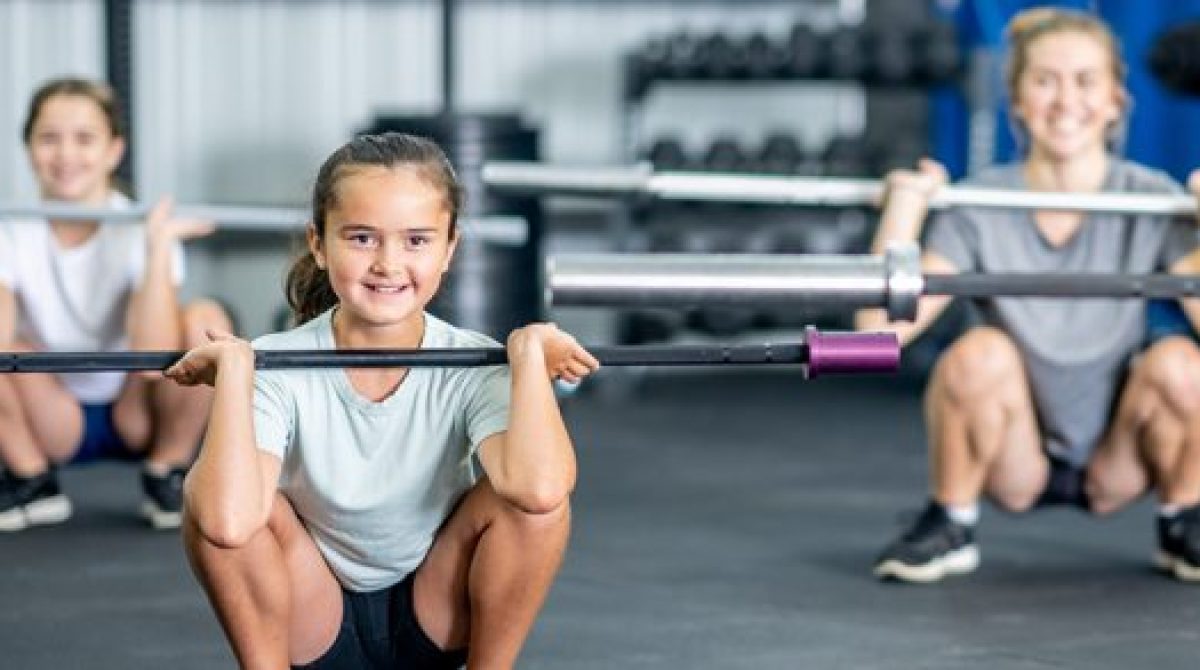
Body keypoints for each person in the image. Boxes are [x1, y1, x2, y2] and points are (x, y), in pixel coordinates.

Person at [167, 132, 600, 668]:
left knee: (536, 511)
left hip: (435, 614)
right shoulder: (273, 363)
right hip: (311, 616)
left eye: (416, 241)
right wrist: (236, 373)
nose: (388, 264)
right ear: (319, 244)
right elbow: (227, 523)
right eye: (362, 238)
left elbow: (539, 492)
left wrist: (528, 357)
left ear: (450, 249)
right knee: (209, 499)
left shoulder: (475, 363)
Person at [857, 8, 1200, 584]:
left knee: (1183, 364)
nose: (1066, 100)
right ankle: (951, 521)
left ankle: (1184, 520)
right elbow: (875, 334)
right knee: (976, 353)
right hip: (1014, 456)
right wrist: (904, 213)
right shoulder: (980, 203)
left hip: (1122, 457)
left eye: (1086, 80)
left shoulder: (1152, 198)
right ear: (1016, 100)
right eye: (1044, 80)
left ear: (1116, 99)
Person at [0, 77, 232, 531]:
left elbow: (152, 359)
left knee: (205, 319)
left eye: (84, 139)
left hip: (137, 413)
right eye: (49, 138)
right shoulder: (11, 228)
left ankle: (167, 471)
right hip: (50, 416)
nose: (66, 155)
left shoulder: (142, 226)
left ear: (114, 150)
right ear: (29, 149)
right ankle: (32, 479)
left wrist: (158, 245)